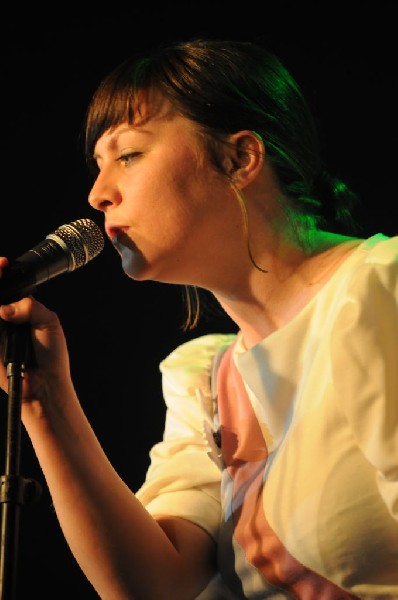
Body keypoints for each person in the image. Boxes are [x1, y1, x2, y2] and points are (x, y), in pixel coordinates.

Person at [0, 37, 397, 600]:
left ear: (239, 158)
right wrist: (44, 399)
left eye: (128, 155)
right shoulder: (207, 377)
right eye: (97, 166)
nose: (96, 194)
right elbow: (153, 585)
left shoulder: (380, 287)